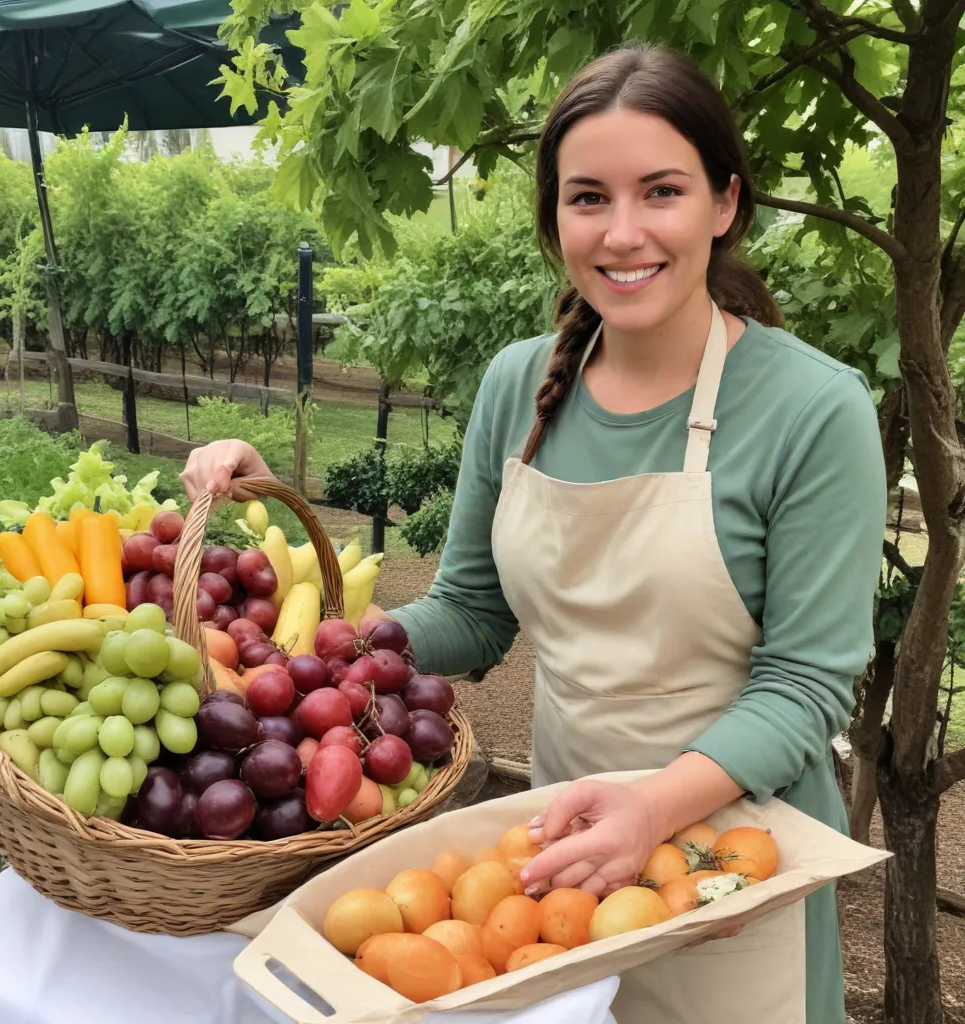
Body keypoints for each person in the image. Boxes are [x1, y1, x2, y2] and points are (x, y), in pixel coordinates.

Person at [181, 42, 887, 1024]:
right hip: (547, 852)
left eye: (662, 192)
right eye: (588, 196)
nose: (623, 230)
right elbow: (470, 613)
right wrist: (297, 636)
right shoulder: (521, 382)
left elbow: (804, 686)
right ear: (555, 216)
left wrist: (650, 809)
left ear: (725, 204)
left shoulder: (812, 409)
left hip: (727, 859)